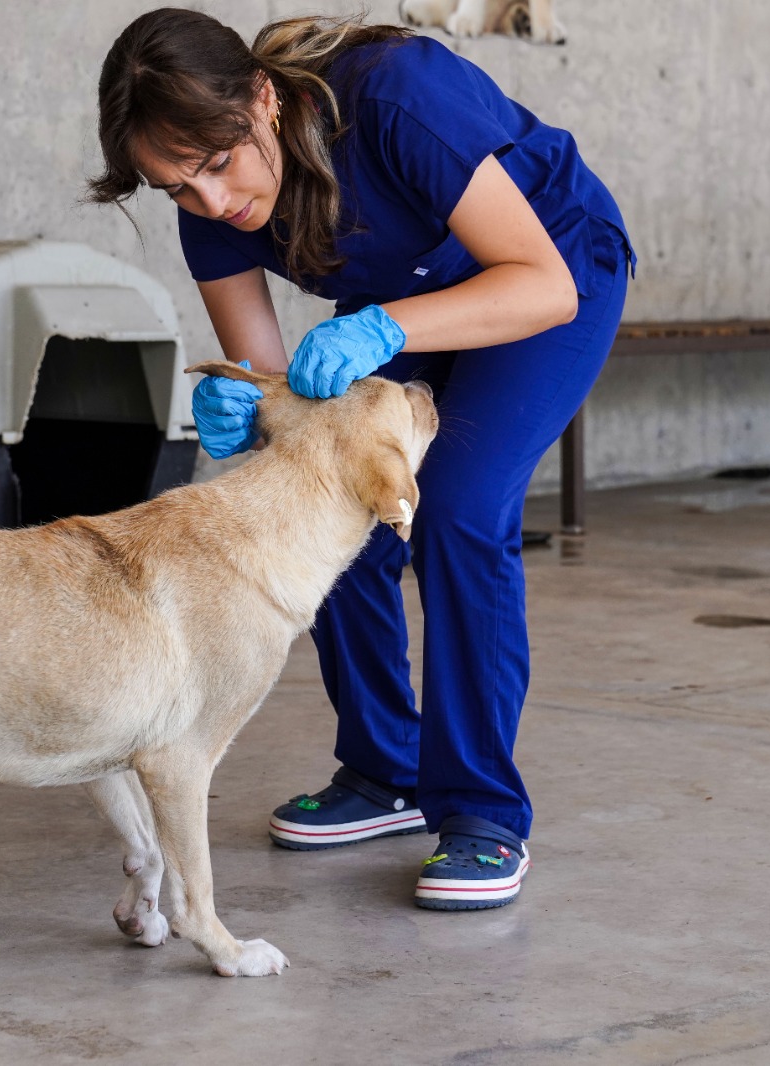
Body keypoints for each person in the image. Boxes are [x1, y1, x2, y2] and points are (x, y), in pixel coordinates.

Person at [89, 8, 632, 911]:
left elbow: (539, 284)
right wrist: (246, 408)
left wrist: (382, 328)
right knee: (315, 493)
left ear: (262, 100)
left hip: (550, 272)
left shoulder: (394, 101)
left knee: (457, 509)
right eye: (177, 189)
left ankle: (481, 812)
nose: (213, 203)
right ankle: (385, 772)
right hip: (409, 295)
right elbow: (271, 393)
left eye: (218, 165)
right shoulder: (210, 210)